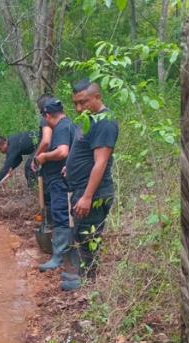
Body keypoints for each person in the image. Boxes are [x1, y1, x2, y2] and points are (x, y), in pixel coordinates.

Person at [61, 79, 119, 291]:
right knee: (82, 235)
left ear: (97, 97)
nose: (78, 108)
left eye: (83, 102)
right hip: (80, 188)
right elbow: (83, 151)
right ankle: (84, 278)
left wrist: (87, 197)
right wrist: (70, 167)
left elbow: (101, 162)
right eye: (75, 103)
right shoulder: (88, 120)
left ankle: (88, 287)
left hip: (94, 193)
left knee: (89, 237)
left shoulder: (105, 122)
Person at [34, 97, 80, 273]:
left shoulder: (60, 127)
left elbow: (62, 151)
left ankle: (59, 257)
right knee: (67, 216)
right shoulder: (70, 125)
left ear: (47, 115)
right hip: (65, 179)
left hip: (59, 181)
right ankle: (68, 254)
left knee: (61, 215)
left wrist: (44, 157)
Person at [0, 130, 37, 199]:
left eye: (0, 149)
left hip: (41, 143)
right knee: (28, 167)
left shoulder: (12, 147)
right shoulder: (11, 143)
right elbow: (19, 159)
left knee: (29, 167)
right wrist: (12, 167)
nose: (0, 151)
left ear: (5, 143)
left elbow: (5, 167)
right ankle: (34, 190)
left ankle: (34, 192)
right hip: (37, 144)